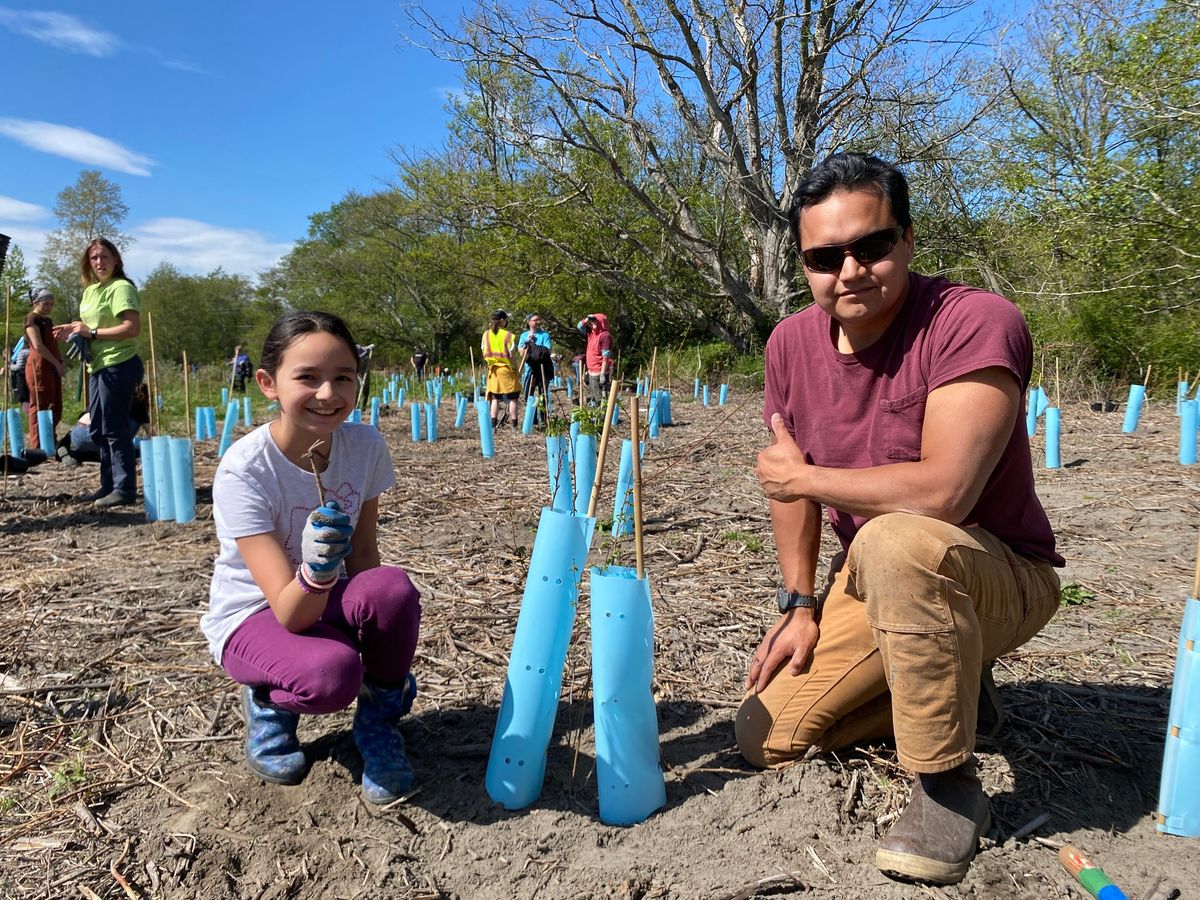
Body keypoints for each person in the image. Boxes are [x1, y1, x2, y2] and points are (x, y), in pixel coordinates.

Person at [736, 153, 1063, 886]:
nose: (849, 270)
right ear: (804, 264)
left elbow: (944, 492)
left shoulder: (975, 321)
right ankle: (953, 683)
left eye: (871, 245)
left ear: (908, 240)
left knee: (898, 539)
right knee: (767, 734)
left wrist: (807, 479)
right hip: (880, 576)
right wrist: (798, 601)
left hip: (998, 571)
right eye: (824, 257)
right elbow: (789, 486)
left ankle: (948, 784)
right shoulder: (789, 343)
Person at [199, 310, 422, 802]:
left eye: (343, 377)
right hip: (257, 612)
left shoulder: (363, 446)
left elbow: (365, 559)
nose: (328, 394)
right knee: (331, 674)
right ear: (267, 383)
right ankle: (267, 699)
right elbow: (287, 609)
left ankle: (378, 723)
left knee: (392, 588)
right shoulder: (245, 470)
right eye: (307, 377)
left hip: (316, 599)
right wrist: (318, 570)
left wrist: (385, 648)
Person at [53, 239, 143, 509]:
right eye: (94, 258)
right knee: (99, 429)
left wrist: (90, 333)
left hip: (119, 363)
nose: (99, 262)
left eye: (105, 257)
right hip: (97, 365)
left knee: (114, 428)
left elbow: (131, 328)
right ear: (87, 263)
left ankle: (124, 487)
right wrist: (73, 330)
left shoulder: (121, 288)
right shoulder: (91, 291)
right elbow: (90, 325)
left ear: (116, 260)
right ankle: (108, 485)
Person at [57, 382, 152, 466]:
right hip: (99, 437)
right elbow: (151, 435)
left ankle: (73, 454)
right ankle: (86, 455)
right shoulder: (140, 407)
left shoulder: (108, 392)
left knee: (101, 450)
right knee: (127, 452)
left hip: (77, 434)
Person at [23, 288, 65, 443]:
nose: (49, 307)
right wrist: (56, 363)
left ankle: (49, 439)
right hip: (39, 366)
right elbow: (38, 346)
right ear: (36, 303)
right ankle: (38, 444)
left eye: (51, 304)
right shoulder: (32, 319)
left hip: (52, 365)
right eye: (46, 304)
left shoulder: (48, 321)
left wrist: (60, 361)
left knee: (56, 405)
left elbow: (52, 344)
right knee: (41, 404)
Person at [481, 309, 521, 429]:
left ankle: (493, 425)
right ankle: (514, 425)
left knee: (495, 397)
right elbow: (511, 356)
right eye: (506, 319)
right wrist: (517, 368)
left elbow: (483, 351)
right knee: (513, 398)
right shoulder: (508, 336)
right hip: (506, 369)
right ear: (502, 321)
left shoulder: (486, 334)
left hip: (493, 370)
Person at [518, 314, 554, 425]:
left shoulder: (545, 335)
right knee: (529, 395)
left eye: (539, 319)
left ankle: (544, 419)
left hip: (543, 369)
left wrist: (533, 347)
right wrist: (527, 343)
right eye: (535, 320)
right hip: (530, 370)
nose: (538, 322)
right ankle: (532, 420)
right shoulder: (524, 335)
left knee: (543, 395)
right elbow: (521, 353)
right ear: (529, 322)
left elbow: (546, 352)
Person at [576, 313, 613, 405]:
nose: (591, 323)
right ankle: (597, 418)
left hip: (599, 372)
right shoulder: (591, 333)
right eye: (591, 321)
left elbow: (606, 356)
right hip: (592, 371)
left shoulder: (605, 336)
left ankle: (603, 418)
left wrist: (602, 374)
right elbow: (579, 326)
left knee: (600, 399)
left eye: (594, 321)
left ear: (600, 322)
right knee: (594, 398)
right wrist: (587, 319)